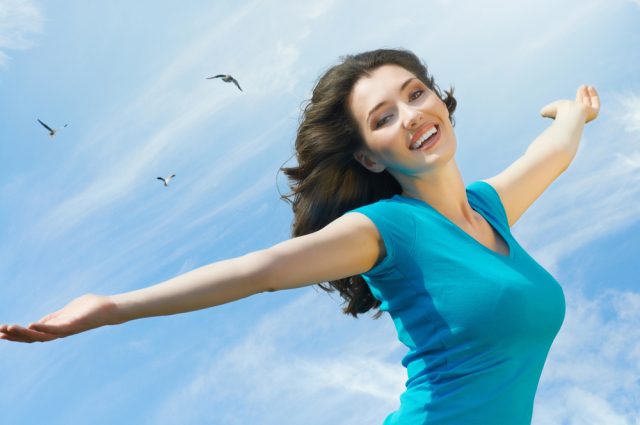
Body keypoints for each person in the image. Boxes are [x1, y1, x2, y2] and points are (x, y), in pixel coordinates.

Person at [0, 48, 599, 424]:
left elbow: (553, 152)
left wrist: (573, 115)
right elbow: (260, 270)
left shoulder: (488, 210)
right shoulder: (388, 229)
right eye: (383, 117)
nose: (411, 114)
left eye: (415, 94)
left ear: (440, 100)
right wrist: (112, 307)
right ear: (368, 158)